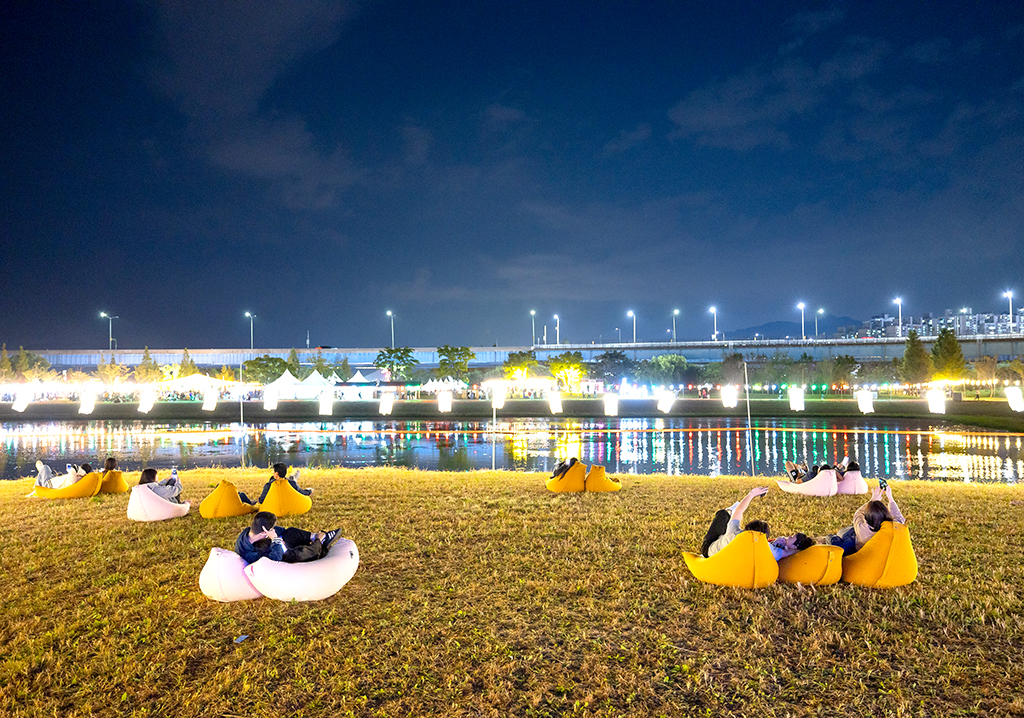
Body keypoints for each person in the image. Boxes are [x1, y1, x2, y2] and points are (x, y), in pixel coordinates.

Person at [820, 481, 905, 555]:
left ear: (866, 517)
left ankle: (827, 538)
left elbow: (858, 513)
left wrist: (873, 499)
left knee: (839, 543)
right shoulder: (892, 529)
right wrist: (890, 498)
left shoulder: (862, 529)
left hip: (852, 539)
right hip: (858, 536)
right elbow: (899, 517)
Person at [235, 511, 340, 565]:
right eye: (271, 529)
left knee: (290, 532)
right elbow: (274, 560)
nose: (273, 530)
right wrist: (275, 540)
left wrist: (278, 537)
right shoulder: (248, 553)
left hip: (274, 546)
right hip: (278, 556)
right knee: (295, 555)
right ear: (264, 532)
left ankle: (317, 537)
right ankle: (320, 543)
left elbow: (281, 531)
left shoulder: (252, 531)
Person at [701, 486, 769, 557]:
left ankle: (729, 511)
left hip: (709, 551)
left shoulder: (734, 533)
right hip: (724, 550)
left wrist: (752, 494)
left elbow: (739, 511)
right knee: (728, 528)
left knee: (722, 514)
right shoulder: (763, 548)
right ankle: (730, 515)